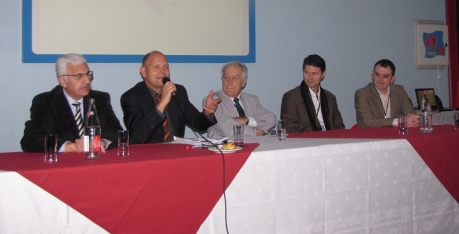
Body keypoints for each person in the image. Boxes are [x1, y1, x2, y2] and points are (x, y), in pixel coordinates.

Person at [21, 53, 122, 153]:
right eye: (79, 76)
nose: (87, 80)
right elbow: (31, 140)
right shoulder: (45, 102)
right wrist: (70, 146)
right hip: (62, 165)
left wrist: (102, 142)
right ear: (63, 81)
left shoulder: (100, 99)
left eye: (88, 74)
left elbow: (117, 133)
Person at [121, 51, 221, 144]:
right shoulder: (131, 97)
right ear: (143, 72)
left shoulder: (178, 91)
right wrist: (162, 104)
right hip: (149, 157)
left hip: (176, 154)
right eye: (156, 67)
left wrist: (208, 113)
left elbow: (199, 125)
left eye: (166, 67)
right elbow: (138, 137)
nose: (162, 71)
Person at [203, 61, 276, 139]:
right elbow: (227, 129)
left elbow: (271, 119)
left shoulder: (252, 100)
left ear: (243, 82)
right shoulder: (213, 101)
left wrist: (246, 120)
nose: (229, 82)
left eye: (235, 78)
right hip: (224, 149)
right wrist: (255, 132)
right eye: (226, 77)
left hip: (253, 146)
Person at [281, 54, 345, 133]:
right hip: (306, 142)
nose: (310, 77)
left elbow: (339, 126)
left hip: (330, 141)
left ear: (323, 75)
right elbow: (290, 128)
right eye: (307, 73)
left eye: (314, 74)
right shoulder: (292, 97)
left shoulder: (330, 97)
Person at [354, 59, 420, 128]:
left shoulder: (399, 91)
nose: (380, 79)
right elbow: (369, 122)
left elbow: (411, 115)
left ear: (392, 79)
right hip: (370, 136)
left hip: (394, 135)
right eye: (377, 75)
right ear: (372, 74)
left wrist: (414, 119)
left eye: (385, 76)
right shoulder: (362, 94)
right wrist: (400, 121)